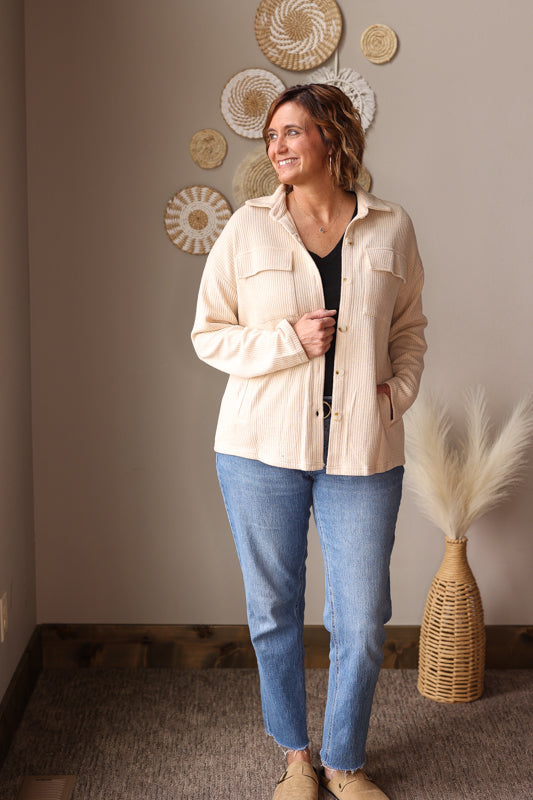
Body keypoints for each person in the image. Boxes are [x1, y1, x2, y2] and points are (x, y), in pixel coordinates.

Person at [191, 83, 427, 800]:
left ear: (331, 137)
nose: (276, 147)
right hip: (257, 448)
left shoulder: (390, 227)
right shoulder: (246, 229)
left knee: (360, 618)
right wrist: (286, 340)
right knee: (272, 609)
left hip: (361, 451)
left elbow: (410, 331)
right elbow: (208, 335)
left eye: (291, 131)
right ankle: (296, 757)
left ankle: (343, 762)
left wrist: (397, 395)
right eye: (269, 136)